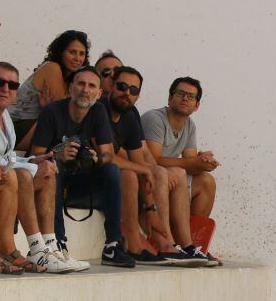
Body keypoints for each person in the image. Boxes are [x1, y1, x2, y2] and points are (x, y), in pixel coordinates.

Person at [0, 62, 73, 273]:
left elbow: (7, 158)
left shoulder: (4, 115)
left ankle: (49, 246)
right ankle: (35, 248)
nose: (5, 89)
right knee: (24, 177)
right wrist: (29, 167)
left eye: (12, 85)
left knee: (47, 171)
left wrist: (33, 162)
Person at [29, 66, 135, 268]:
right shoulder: (52, 111)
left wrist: (96, 159)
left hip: (80, 180)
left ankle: (113, 245)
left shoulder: (98, 110)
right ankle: (58, 242)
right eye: (80, 83)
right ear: (70, 88)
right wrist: (58, 155)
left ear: (99, 92)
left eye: (91, 85)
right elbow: (34, 156)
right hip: (51, 181)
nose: (85, 90)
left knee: (112, 170)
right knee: (53, 166)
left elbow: (108, 154)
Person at [103, 66, 206, 265]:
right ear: (110, 85)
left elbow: (142, 157)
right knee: (139, 174)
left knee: (200, 180)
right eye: (122, 86)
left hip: (132, 174)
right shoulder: (103, 110)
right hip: (95, 178)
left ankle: (186, 245)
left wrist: (202, 163)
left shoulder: (130, 113)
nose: (127, 93)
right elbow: (108, 155)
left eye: (133, 90)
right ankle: (166, 242)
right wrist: (148, 172)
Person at [142, 77, 219, 221]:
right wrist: (194, 162)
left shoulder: (190, 125)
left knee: (206, 182)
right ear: (170, 98)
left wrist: (203, 162)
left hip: (169, 177)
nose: (185, 99)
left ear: (197, 105)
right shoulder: (154, 118)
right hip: (147, 177)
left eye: (191, 97)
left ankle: (191, 239)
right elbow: (154, 160)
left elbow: (190, 165)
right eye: (180, 94)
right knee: (173, 174)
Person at [12, 30, 90, 152]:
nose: (77, 58)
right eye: (72, 52)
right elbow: (64, 114)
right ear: (61, 52)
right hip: (17, 127)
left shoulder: (71, 79)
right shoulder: (52, 68)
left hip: (37, 126)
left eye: (82, 54)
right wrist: (51, 110)